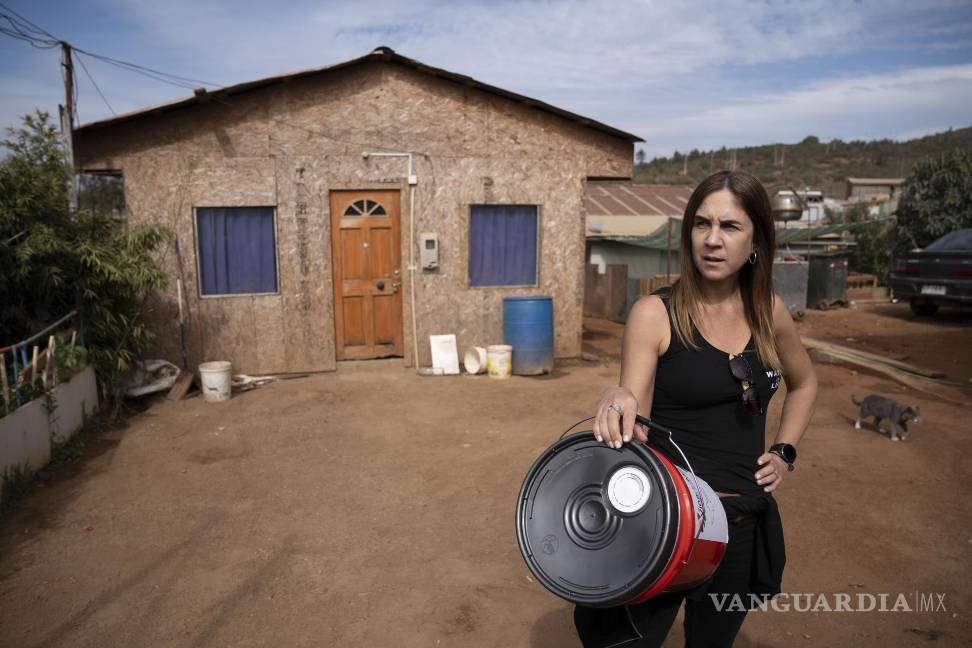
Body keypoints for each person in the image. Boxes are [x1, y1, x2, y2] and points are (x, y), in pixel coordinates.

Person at [575, 170, 818, 648]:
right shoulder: (655, 313)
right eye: (702, 224)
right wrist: (618, 397)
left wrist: (784, 451)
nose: (712, 239)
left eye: (730, 226)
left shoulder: (770, 311)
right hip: (666, 526)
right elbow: (633, 405)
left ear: (756, 241)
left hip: (740, 525)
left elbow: (805, 384)